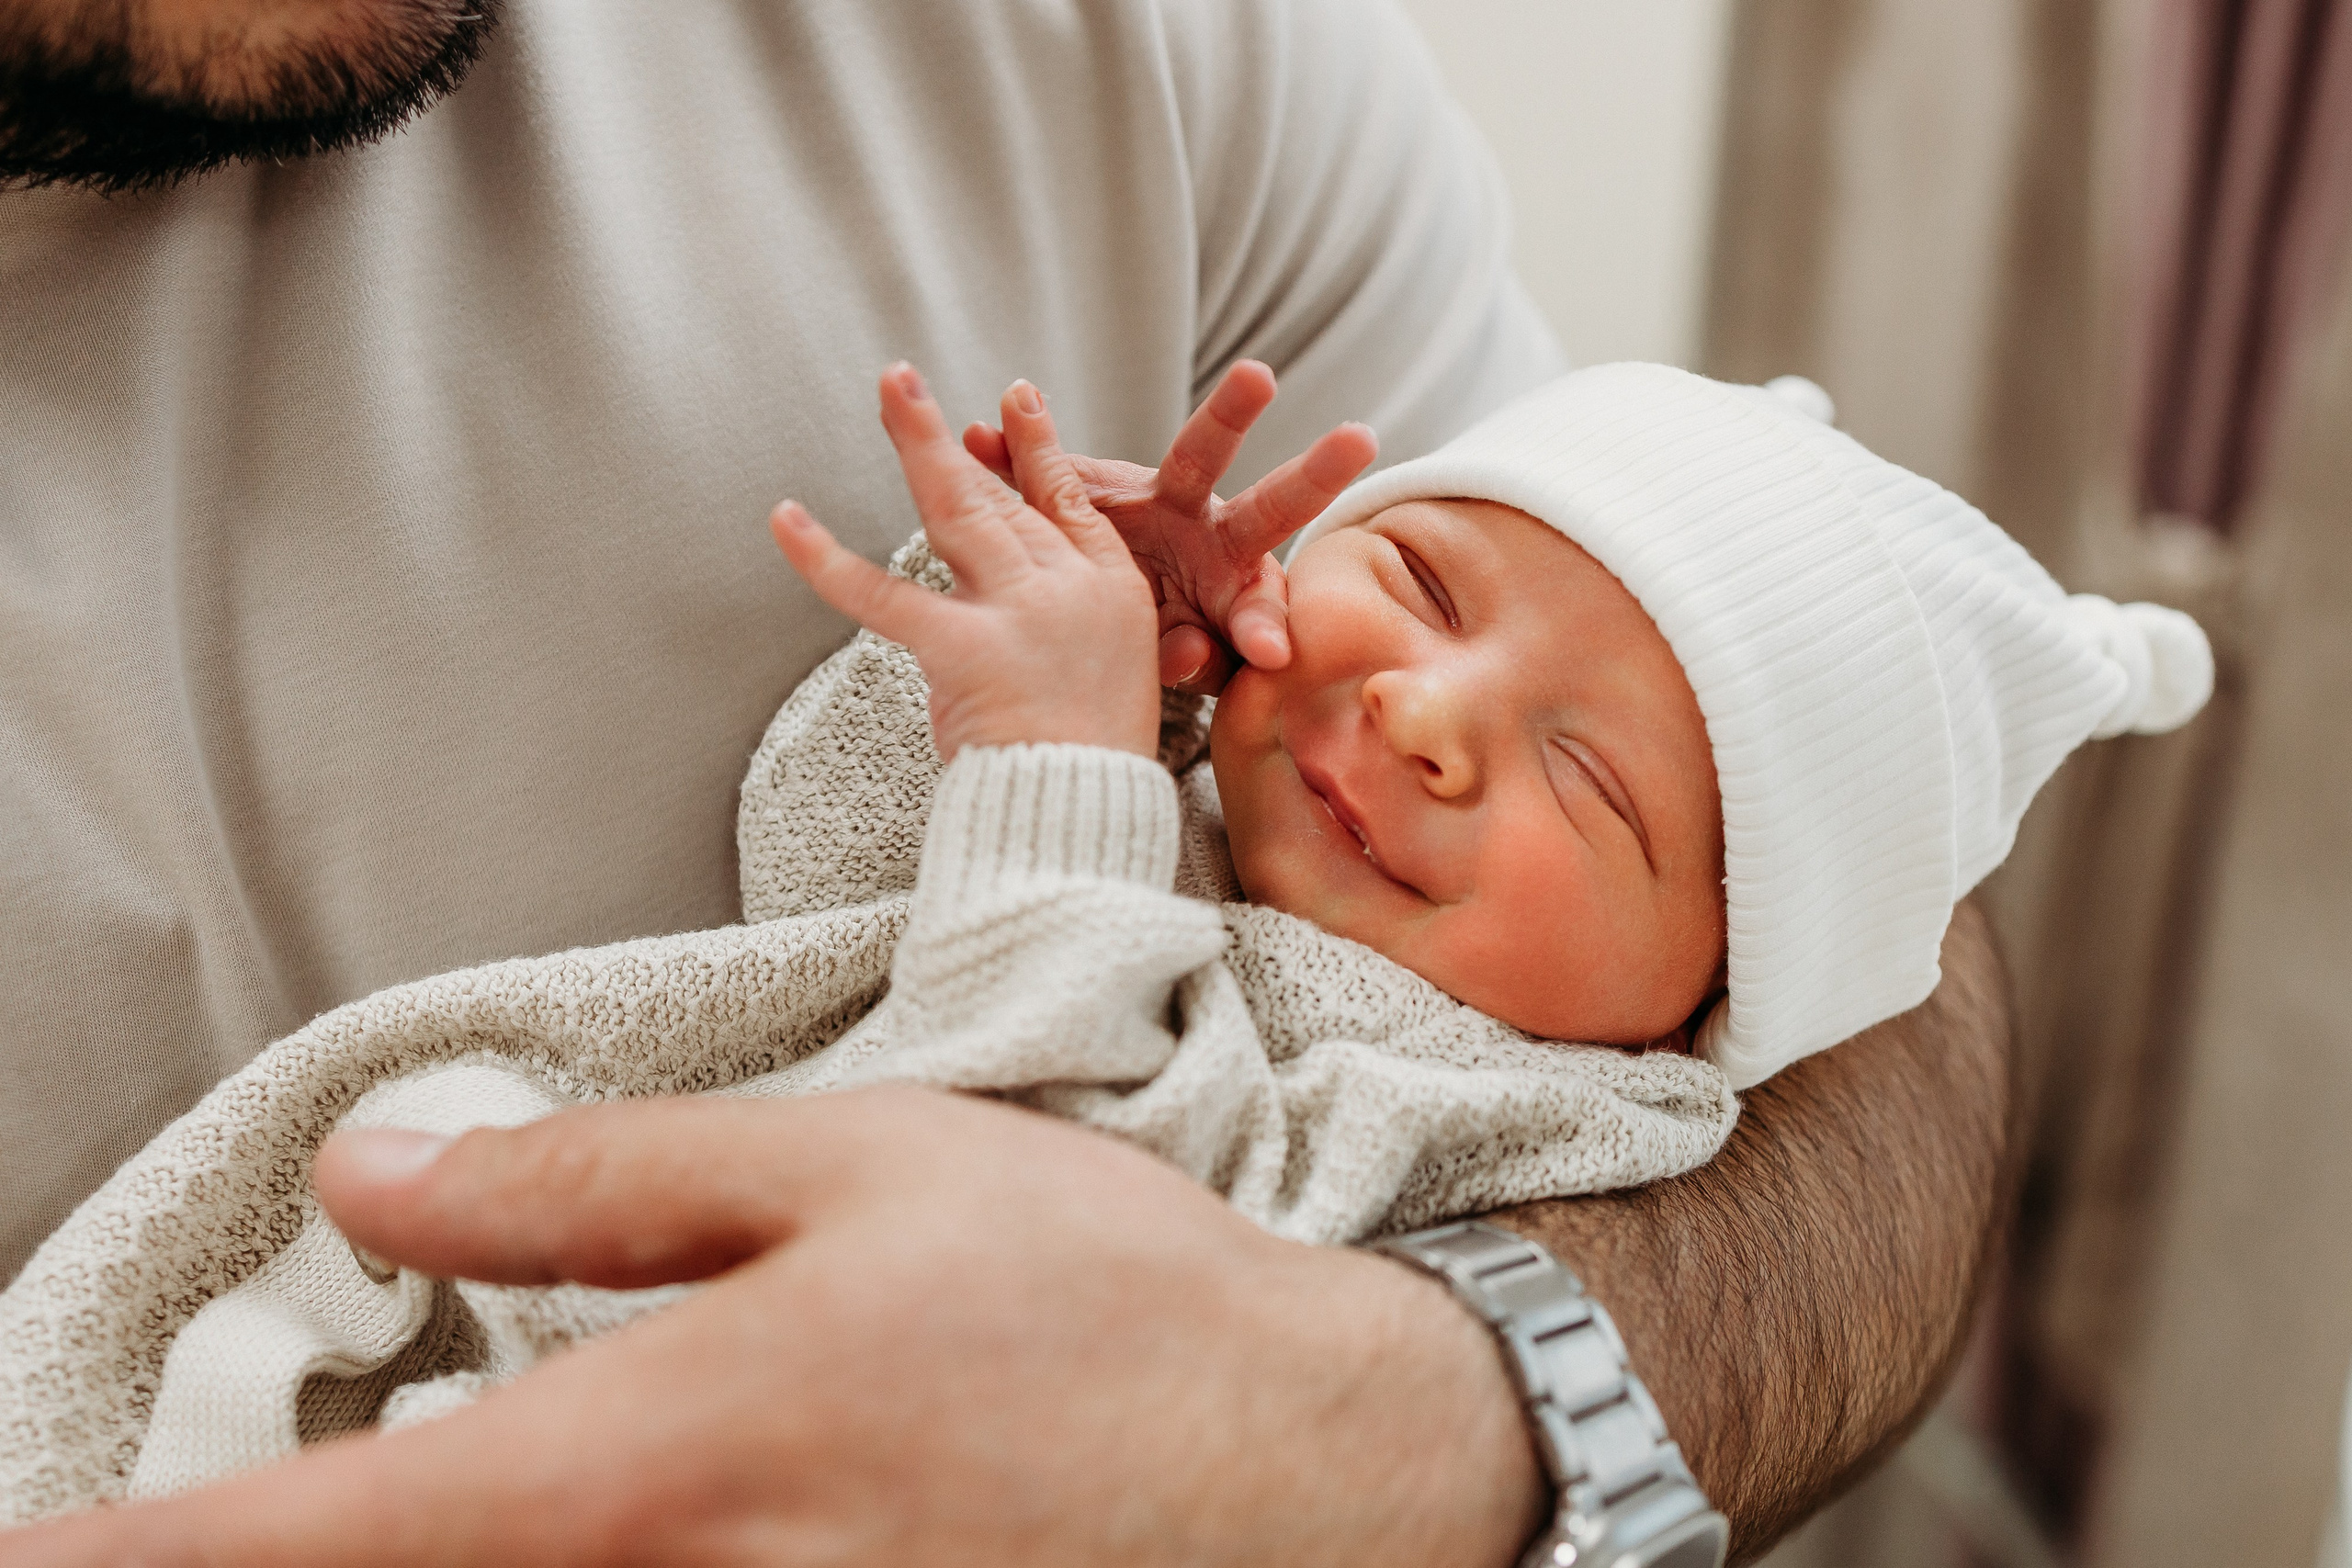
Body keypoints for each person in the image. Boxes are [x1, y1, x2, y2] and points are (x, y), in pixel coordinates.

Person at [0, 0, 2018, 1560]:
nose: (1424, 710)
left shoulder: (1499, 1099)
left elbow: (1051, 1178)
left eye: (1592, 784)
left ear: (1715, 994)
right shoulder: (1219, 841)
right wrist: (1041, 704)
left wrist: (1429, 1416)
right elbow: (839, 907)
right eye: (1410, 580)